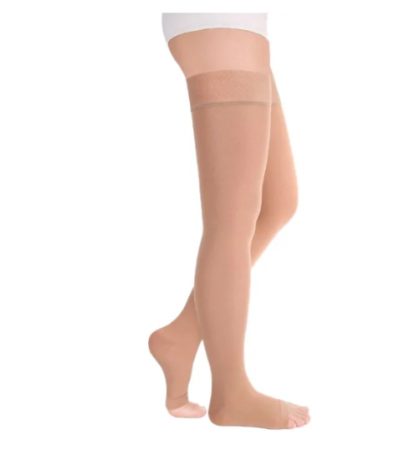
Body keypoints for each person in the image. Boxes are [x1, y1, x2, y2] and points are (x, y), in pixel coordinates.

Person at [149, 13, 310, 430]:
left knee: (278, 202)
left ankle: (182, 334)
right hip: (217, 17)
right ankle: (230, 392)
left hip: (242, 24)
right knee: (230, 218)